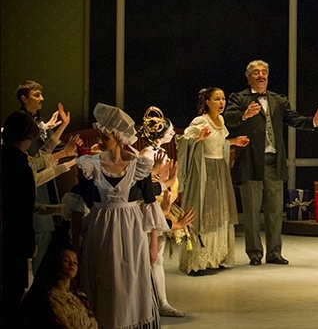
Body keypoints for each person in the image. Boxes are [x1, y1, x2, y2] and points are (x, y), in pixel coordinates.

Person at [66, 103, 169, 329]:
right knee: (103, 281)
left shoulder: (139, 165)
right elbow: (77, 205)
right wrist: (75, 244)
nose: (99, 141)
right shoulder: (90, 165)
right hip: (101, 232)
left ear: (120, 138)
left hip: (131, 234)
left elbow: (150, 204)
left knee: (129, 281)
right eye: (100, 137)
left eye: (105, 138)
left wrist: (153, 245)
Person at [224, 61, 318, 266]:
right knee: (252, 212)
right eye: (256, 73)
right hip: (251, 162)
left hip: (274, 162)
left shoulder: (278, 100)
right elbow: (229, 118)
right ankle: (255, 253)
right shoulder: (239, 98)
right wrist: (244, 114)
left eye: (264, 72)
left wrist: (312, 122)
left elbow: (293, 119)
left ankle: (274, 253)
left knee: (274, 211)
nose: (261, 75)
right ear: (249, 78)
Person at [179, 88, 248, 274]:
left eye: (223, 98)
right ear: (207, 102)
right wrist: (198, 138)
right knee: (205, 212)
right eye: (217, 99)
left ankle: (216, 257)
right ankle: (198, 261)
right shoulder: (201, 121)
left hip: (219, 170)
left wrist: (234, 142)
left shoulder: (221, 121)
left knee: (219, 213)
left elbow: (219, 144)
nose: (221, 102)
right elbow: (184, 141)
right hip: (205, 171)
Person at [17, 81, 79, 274]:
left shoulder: (38, 121)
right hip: (32, 182)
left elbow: (47, 150)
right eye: (36, 95)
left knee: (45, 237)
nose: (41, 99)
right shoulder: (22, 123)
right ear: (24, 98)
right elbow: (39, 159)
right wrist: (63, 157)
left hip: (41, 181)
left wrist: (63, 128)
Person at [139, 107, 189, 316]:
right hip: (150, 208)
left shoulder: (159, 152)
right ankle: (153, 302)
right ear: (160, 134)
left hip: (160, 207)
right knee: (149, 256)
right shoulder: (147, 155)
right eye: (169, 131)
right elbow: (146, 187)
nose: (173, 134)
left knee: (157, 259)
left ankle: (161, 302)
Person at [1, 111, 40, 328]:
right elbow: (22, 211)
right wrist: (28, 245)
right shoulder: (20, 167)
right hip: (13, 245)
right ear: (27, 136)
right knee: (11, 303)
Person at [23, 247, 99, 329]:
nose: (72, 264)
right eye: (66, 260)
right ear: (55, 265)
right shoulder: (52, 298)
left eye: (75, 262)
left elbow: (93, 323)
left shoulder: (80, 296)